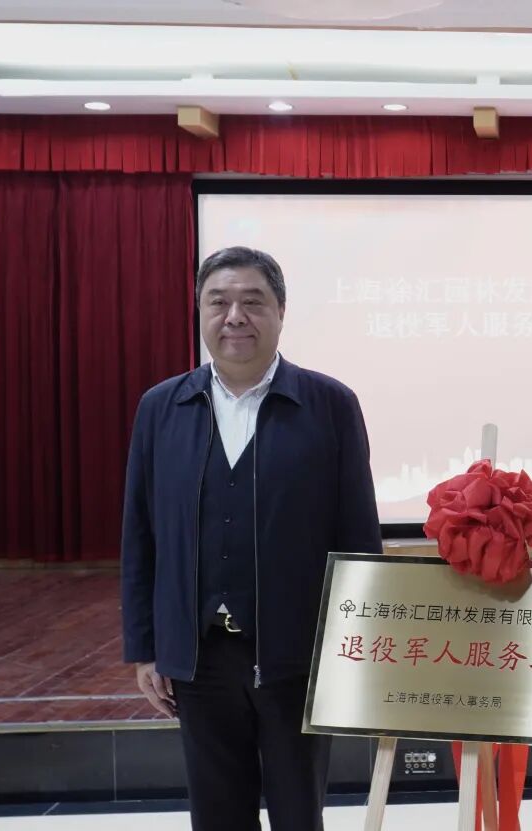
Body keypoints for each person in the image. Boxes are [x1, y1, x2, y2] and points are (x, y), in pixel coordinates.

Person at [121, 246, 382, 831]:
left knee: (298, 812)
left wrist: (355, 647)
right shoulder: (162, 407)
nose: (234, 316)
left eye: (253, 301)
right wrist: (146, 646)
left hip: (297, 655)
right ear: (199, 311)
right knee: (217, 814)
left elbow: (359, 535)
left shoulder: (330, 405)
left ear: (281, 311)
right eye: (218, 302)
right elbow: (140, 535)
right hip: (199, 657)